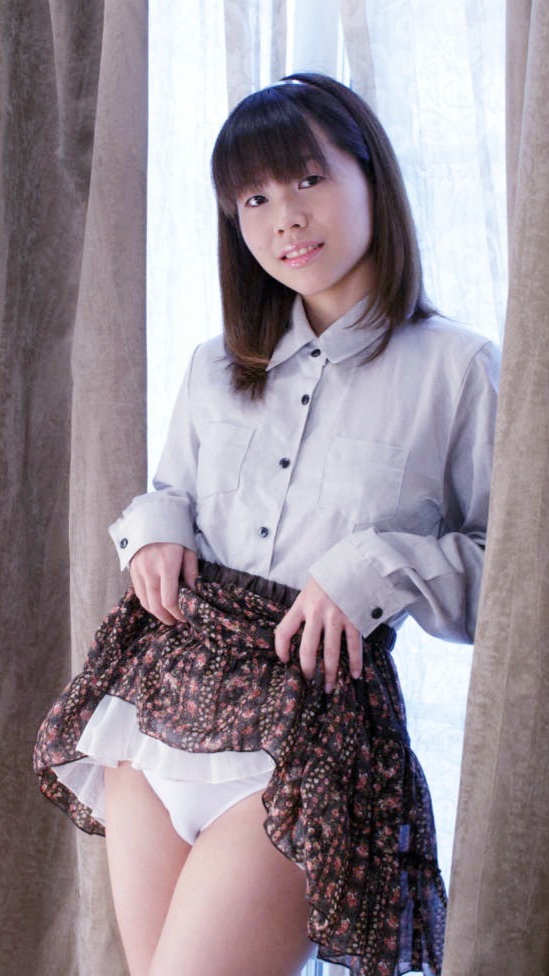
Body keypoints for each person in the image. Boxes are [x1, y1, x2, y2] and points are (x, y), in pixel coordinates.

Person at [34, 73, 499, 976]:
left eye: (308, 179)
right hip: (158, 710)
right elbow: (172, 491)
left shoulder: (456, 369)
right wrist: (154, 526)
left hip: (306, 735)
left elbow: (508, 586)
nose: (285, 217)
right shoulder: (214, 365)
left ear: (372, 178)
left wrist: (373, 567)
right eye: (253, 198)